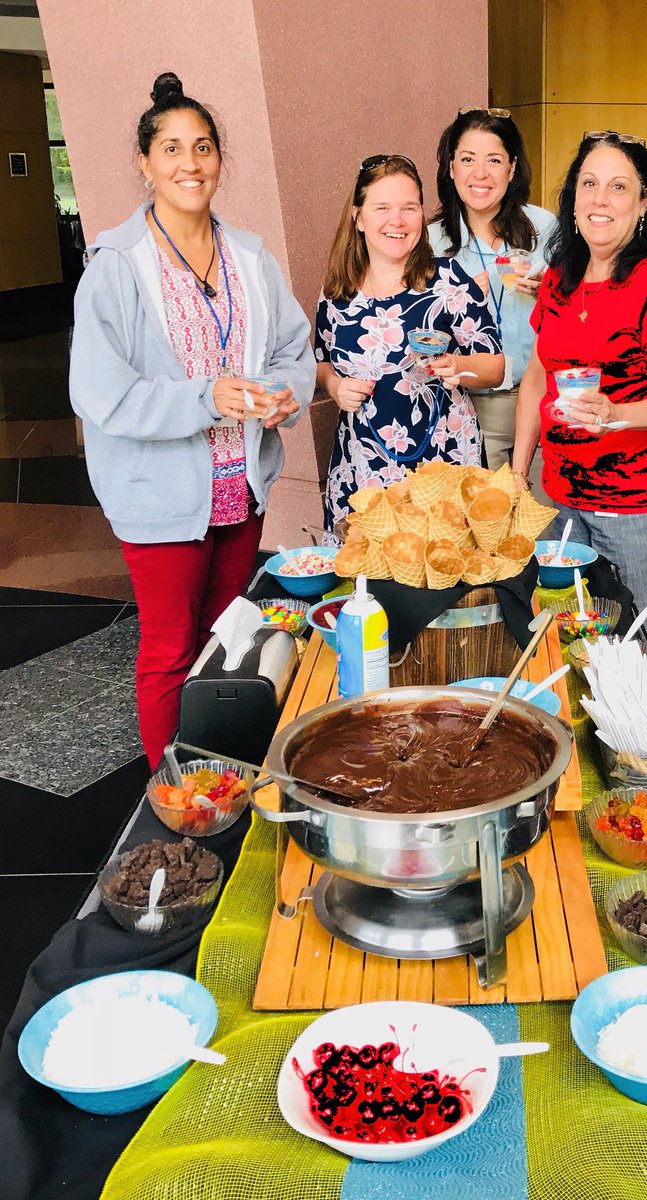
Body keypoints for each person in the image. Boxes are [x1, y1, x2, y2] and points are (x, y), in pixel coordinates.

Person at [69, 72, 315, 770]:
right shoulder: (117, 267)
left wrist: (281, 393)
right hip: (160, 497)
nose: (190, 164)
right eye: (171, 149)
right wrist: (207, 399)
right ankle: (170, 794)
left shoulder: (251, 255)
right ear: (145, 164)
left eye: (202, 147)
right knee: (170, 648)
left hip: (241, 486)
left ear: (218, 160)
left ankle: (222, 773)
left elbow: (295, 350)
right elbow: (101, 393)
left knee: (225, 638)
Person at [511, 131, 647, 694]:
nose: (600, 199)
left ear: (644, 203)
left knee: (642, 647)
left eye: (618, 187)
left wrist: (614, 412)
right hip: (559, 497)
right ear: (573, 199)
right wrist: (519, 472)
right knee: (575, 642)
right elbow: (536, 379)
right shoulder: (559, 277)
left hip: (638, 501)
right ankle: (591, 773)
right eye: (589, 184)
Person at [316, 155, 504, 528]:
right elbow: (320, 362)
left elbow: (495, 367)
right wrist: (334, 385)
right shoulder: (336, 292)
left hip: (445, 463)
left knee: (444, 575)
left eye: (409, 208)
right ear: (358, 217)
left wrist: (459, 365)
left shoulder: (449, 281)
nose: (397, 221)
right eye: (382, 208)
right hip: (363, 466)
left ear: (422, 215)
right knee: (365, 578)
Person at [429, 108, 556, 489]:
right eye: (467, 160)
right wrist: (456, 304)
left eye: (494, 160)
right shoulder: (430, 241)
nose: (480, 174)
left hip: (540, 401)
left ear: (512, 168)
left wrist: (549, 289)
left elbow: (582, 310)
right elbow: (414, 332)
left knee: (537, 528)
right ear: (451, 168)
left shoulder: (545, 228)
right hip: (465, 408)